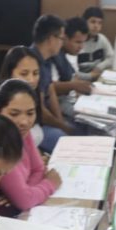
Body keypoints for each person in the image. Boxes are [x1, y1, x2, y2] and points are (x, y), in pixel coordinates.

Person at [0, 79, 63, 218]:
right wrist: (50, 184)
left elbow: (39, 169)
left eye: (30, 113)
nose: (24, 122)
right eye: (14, 114)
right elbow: (25, 201)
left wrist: (24, 192)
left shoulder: (21, 133)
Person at [0, 45, 68, 151]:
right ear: (10, 73)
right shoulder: (3, 102)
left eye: (35, 73)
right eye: (24, 74)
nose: (31, 80)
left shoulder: (33, 94)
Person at [30, 15, 72, 149]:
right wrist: (62, 126)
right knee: (66, 142)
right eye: (61, 38)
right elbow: (40, 111)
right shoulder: (31, 63)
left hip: (44, 120)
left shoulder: (46, 60)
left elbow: (51, 90)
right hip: (32, 125)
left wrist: (61, 121)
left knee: (75, 126)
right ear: (51, 38)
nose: (62, 43)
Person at [51, 16, 93, 121]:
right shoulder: (54, 55)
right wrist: (74, 85)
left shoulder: (68, 55)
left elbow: (73, 77)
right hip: (60, 104)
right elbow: (51, 87)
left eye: (83, 42)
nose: (81, 47)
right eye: (78, 42)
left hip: (71, 100)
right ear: (65, 38)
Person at [77, 6, 114, 80]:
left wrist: (99, 67)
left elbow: (112, 57)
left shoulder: (102, 38)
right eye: (93, 22)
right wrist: (91, 75)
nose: (96, 26)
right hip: (80, 81)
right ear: (84, 22)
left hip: (97, 78)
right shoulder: (77, 41)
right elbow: (72, 73)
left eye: (99, 23)